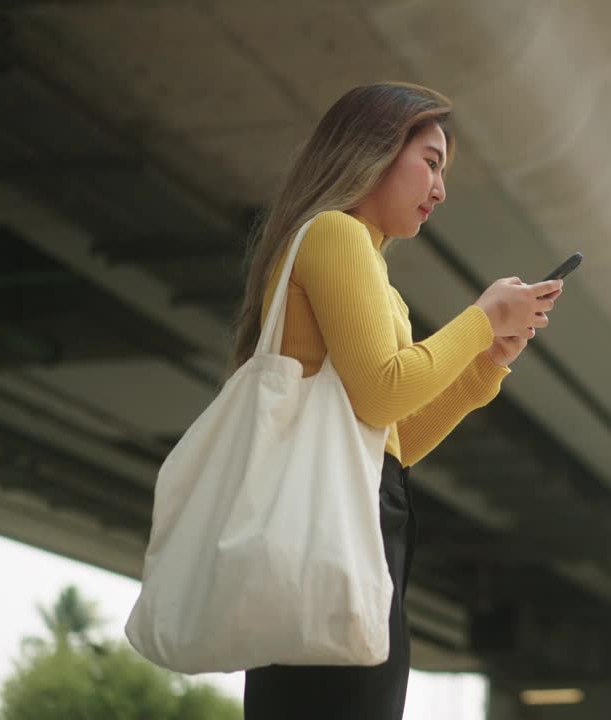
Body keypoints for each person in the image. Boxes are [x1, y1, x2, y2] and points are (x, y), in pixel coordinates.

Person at [226, 82, 563, 720]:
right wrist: (482, 317)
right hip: (333, 526)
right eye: (431, 162)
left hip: (356, 515)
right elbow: (384, 392)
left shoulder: (373, 272)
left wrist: (485, 363)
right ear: (373, 150)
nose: (439, 189)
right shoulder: (335, 234)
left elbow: (393, 442)